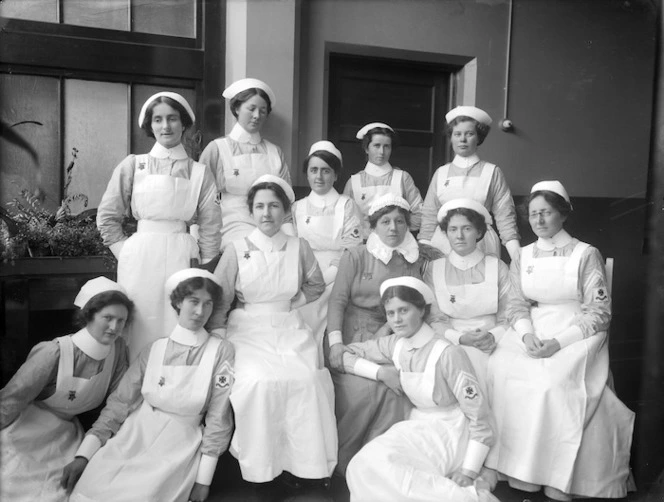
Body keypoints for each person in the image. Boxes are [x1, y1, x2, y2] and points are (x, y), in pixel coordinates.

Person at [485, 181, 635, 500]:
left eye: (547, 213)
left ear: (563, 214)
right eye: (534, 214)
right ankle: (519, 472)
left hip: (576, 331)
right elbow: (515, 304)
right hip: (534, 327)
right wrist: (526, 336)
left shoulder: (585, 254)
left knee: (551, 386)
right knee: (499, 371)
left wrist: (558, 342)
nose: (539, 220)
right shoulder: (523, 256)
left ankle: (555, 475)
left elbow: (599, 312)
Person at [208, 175, 337, 484]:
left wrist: (293, 304)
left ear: (286, 212)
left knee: (305, 381)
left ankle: (303, 467)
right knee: (259, 384)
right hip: (247, 331)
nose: (267, 213)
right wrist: (218, 337)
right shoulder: (236, 249)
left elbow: (316, 284)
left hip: (290, 329)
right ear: (251, 212)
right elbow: (222, 296)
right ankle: (263, 469)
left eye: (275, 206)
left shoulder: (298, 246)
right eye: (260, 206)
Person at [67, 268, 234, 502]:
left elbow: (219, 416)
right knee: (91, 490)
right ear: (177, 303)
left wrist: (203, 481)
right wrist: (83, 456)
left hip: (178, 446)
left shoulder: (221, 351)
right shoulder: (154, 349)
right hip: (134, 435)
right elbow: (119, 404)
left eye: (208, 304)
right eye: (193, 301)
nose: (200, 311)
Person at [342, 277, 498, 502]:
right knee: (361, 465)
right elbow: (344, 354)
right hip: (416, 425)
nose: (396, 319)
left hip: (450, 430)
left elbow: (480, 419)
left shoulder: (448, 353)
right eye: (390, 313)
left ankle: (470, 496)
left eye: (403, 310)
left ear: (422, 310)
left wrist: (469, 471)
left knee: (397, 475)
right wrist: (380, 373)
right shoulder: (395, 344)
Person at [97, 92, 221, 359]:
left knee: (179, 319)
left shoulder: (200, 172)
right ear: (150, 126)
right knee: (140, 320)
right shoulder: (133, 165)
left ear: (184, 123)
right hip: (140, 254)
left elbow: (211, 225)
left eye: (173, 119)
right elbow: (107, 216)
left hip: (182, 252)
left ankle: (174, 388)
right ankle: (133, 388)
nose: (166, 126)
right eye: (158, 119)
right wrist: (125, 251)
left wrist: (205, 264)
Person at [327, 193, 442, 475]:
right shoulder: (355, 255)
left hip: (392, 334)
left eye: (400, 222)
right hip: (350, 333)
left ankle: (381, 464)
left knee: (397, 390)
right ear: (373, 226)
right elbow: (337, 301)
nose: (393, 228)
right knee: (362, 391)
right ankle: (345, 464)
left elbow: (411, 303)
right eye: (386, 222)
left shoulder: (412, 258)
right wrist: (335, 344)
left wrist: (388, 329)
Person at [0, 277, 133, 502]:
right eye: (107, 318)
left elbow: (118, 404)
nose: (114, 327)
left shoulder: (117, 351)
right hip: (24, 429)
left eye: (121, 321)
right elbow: (11, 400)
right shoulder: (54, 353)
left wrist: (84, 453)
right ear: (88, 315)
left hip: (67, 435)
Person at [423, 198, 512, 386]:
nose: (459, 236)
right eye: (453, 229)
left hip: (494, 340)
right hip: (449, 340)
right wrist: (460, 338)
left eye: (467, 228)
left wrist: (492, 336)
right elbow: (434, 318)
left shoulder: (497, 267)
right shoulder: (434, 269)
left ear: (479, 232)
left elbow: (509, 314)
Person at [199, 78, 293, 249]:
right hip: (230, 226)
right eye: (251, 109)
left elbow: (285, 201)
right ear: (236, 108)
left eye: (263, 111)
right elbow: (203, 199)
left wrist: (291, 237)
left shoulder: (274, 152)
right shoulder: (217, 149)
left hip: (271, 224)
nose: (257, 116)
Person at [292, 140, 362, 364]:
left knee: (320, 314)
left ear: (335, 175)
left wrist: (325, 279)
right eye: (313, 170)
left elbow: (352, 249)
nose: (319, 177)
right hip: (304, 271)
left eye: (326, 171)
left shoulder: (346, 205)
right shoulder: (298, 207)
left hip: (336, 274)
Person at [419, 106, 520, 261]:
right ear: (451, 137)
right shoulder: (441, 173)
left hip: (481, 241)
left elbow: (505, 216)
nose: (463, 139)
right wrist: (422, 251)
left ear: (478, 137)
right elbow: (429, 215)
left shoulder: (492, 172)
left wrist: (516, 256)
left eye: (469, 134)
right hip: (444, 243)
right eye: (457, 134)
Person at [343, 122, 423, 239]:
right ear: (366, 148)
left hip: (396, 244)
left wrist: (399, 231)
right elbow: (345, 218)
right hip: (364, 245)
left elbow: (420, 213)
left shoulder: (402, 178)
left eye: (386, 146)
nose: (381, 152)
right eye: (376, 145)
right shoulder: (354, 182)